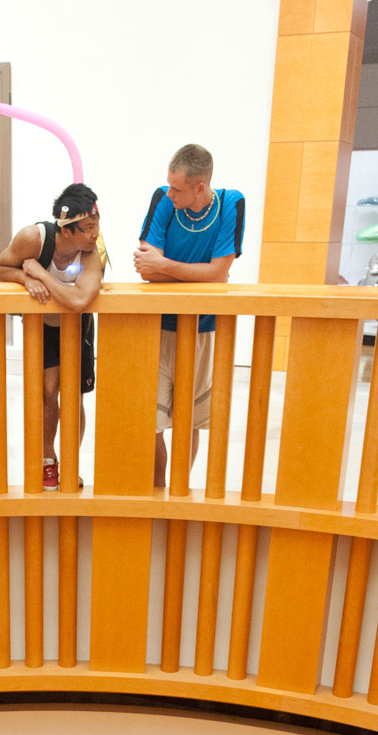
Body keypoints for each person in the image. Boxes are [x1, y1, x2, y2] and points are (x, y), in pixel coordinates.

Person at [132, 145, 245, 486]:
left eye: (177, 188)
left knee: (189, 419)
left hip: (202, 329)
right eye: (169, 185)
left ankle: (179, 490)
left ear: (199, 187)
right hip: (157, 327)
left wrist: (166, 266)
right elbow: (146, 270)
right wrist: (203, 274)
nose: (169, 193)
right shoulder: (162, 199)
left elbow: (218, 274)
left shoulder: (231, 203)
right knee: (151, 422)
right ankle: (158, 489)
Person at [0, 184, 104, 490]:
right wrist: (23, 278)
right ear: (65, 230)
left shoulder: (94, 251)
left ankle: (71, 461)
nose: (95, 234)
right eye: (88, 228)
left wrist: (40, 274)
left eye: (97, 225)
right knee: (47, 389)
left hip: (77, 325)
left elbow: (80, 300)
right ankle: (47, 459)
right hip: (43, 324)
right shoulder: (34, 238)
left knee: (74, 393)